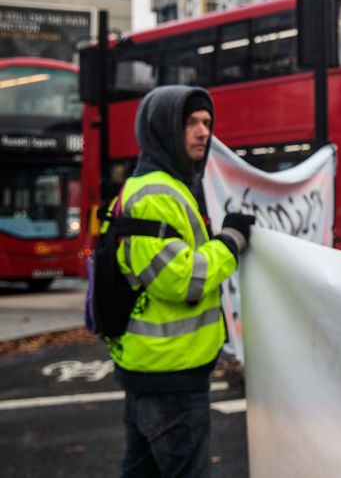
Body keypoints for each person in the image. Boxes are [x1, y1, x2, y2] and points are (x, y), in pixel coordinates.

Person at [107, 85, 254, 478]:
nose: (204, 132)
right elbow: (181, 279)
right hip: (169, 377)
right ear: (162, 129)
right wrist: (231, 241)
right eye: (190, 122)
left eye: (207, 122)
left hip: (156, 369)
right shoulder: (155, 193)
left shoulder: (168, 187)